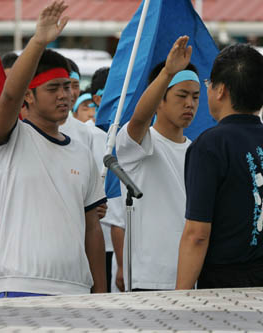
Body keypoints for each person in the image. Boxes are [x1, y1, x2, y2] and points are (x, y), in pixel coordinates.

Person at [0, 0, 107, 297]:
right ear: (28, 96)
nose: (65, 96)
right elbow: (9, 93)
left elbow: (93, 228)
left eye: (67, 87)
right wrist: (38, 41)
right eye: (53, 89)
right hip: (21, 287)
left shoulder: (82, 152)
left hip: (76, 291)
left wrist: (103, 298)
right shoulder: (10, 138)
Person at [176, 43, 263, 289]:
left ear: (221, 90)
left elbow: (197, 235)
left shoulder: (209, 146)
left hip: (222, 288)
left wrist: (178, 301)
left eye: (208, 84)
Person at [114, 36, 200, 291]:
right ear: (159, 100)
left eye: (195, 97)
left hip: (190, 279)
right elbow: (139, 118)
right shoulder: (138, 144)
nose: (190, 104)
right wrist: (167, 73)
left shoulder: (198, 150)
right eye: (182, 95)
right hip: (148, 278)